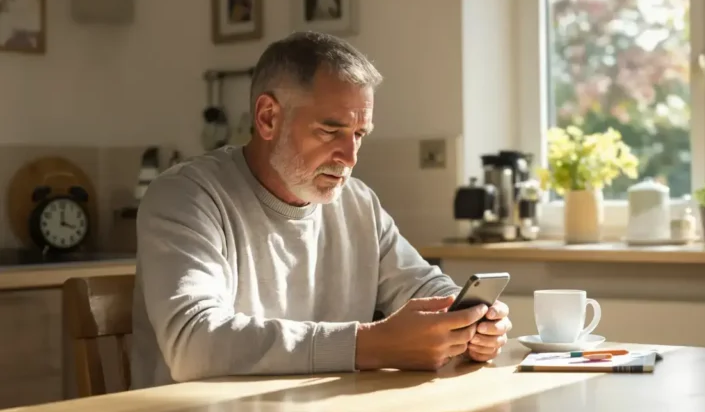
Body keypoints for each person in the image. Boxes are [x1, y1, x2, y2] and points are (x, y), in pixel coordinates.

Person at [129, 31, 512, 389]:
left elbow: (426, 288)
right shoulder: (186, 197)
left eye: (359, 134)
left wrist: (471, 325)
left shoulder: (359, 205)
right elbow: (193, 343)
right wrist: (369, 344)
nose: (350, 156)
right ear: (268, 118)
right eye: (330, 132)